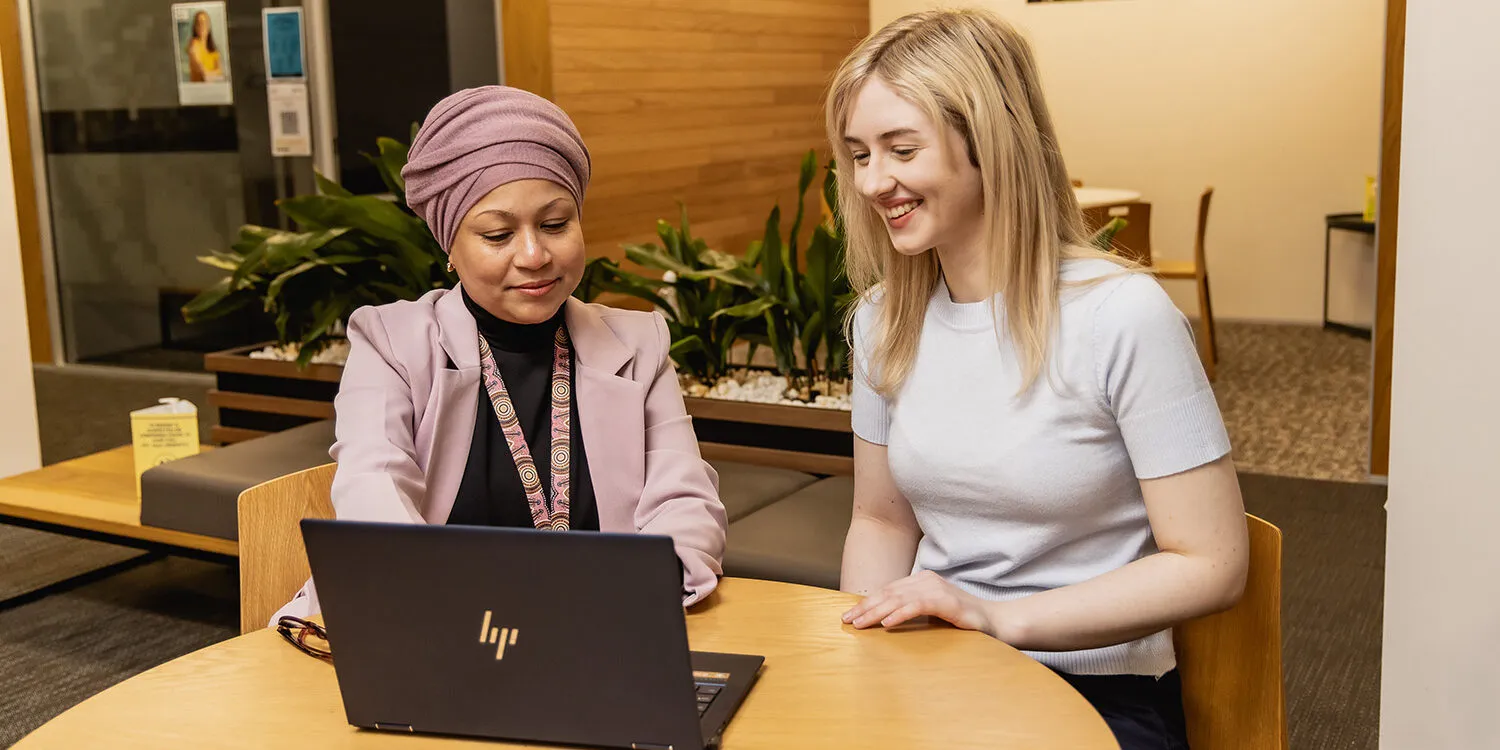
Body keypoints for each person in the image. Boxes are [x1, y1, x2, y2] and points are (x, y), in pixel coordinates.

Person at [826, 10, 1248, 749]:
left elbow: (1212, 563)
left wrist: (999, 618)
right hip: (938, 668)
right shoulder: (883, 320)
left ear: (989, 144)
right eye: (859, 154)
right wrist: (861, 659)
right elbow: (882, 521)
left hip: (1099, 690)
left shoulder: (1122, 316)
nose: (873, 181)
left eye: (901, 149)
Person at [273, 86, 727, 622]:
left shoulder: (639, 344)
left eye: (555, 225)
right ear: (450, 244)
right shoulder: (391, 343)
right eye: (497, 234)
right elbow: (374, 492)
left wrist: (636, 592)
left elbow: (686, 502)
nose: (534, 255)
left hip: (605, 629)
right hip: (436, 630)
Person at [186, 10, 223, 83]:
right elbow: (203, 72)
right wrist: (214, 75)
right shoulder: (193, 44)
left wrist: (211, 75)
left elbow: (220, 72)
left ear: (208, 26)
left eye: (204, 22)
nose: (201, 26)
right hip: (198, 89)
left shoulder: (214, 50)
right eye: (198, 23)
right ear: (195, 27)